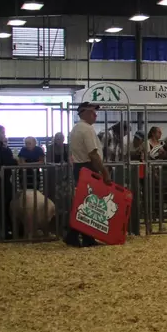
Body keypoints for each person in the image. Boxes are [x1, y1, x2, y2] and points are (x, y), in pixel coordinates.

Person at [65, 103, 110, 247]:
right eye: (92, 112)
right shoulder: (87, 129)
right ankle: (76, 236)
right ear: (83, 113)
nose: (95, 115)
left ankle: (82, 237)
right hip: (88, 167)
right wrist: (104, 172)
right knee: (88, 203)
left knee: (85, 202)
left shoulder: (75, 128)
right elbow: (93, 154)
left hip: (79, 168)